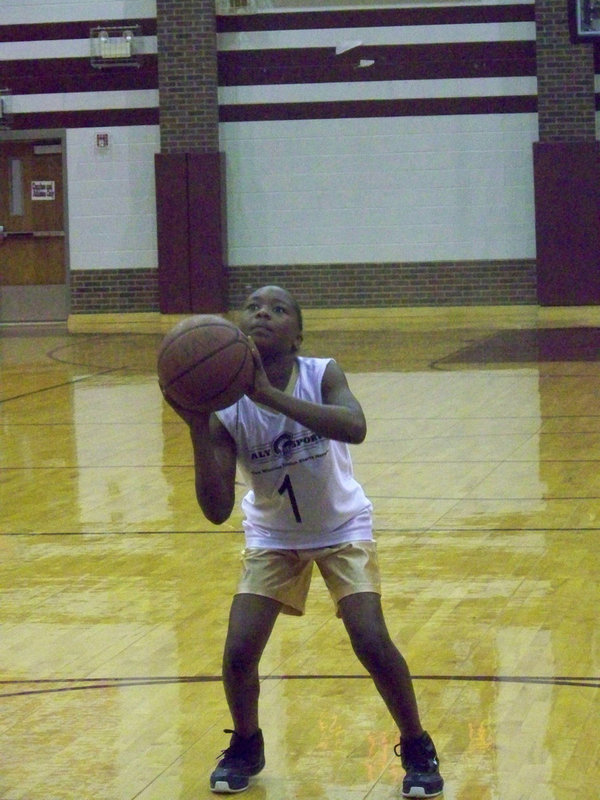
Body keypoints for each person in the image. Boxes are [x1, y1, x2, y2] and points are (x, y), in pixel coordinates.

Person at [165, 285, 443, 798]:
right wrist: (196, 427)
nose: (263, 313)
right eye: (252, 307)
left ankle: (417, 742)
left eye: (278, 309)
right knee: (238, 651)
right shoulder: (226, 412)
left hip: (341, 529)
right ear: (237, 330)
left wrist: (267, 395)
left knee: (370, 639)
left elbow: (355, 426)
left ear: (298, 335)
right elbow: (216, 510)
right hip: (273, 536)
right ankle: (247, 743)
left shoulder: (321, 373)